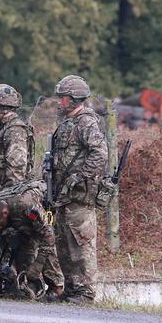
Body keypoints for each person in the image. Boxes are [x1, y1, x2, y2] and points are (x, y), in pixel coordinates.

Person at [0, 83, 61, 299]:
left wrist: (5, 204)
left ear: (5, 106)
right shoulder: (1, 128)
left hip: (13, 200)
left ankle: (46, 285)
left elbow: (15, 170)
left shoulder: (15, 129)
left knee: (27, 242)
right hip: (3, 200)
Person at [48, 75, 108, 303]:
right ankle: (73, 289)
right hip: (64, 195)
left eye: (63, 98)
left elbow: (99, 154)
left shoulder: (86, 122)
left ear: (74, 99)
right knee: (63, 242)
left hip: (80, 195)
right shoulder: (67, 122)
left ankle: (85, 291)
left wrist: (80, 177)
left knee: (81, 243)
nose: (60, 102)